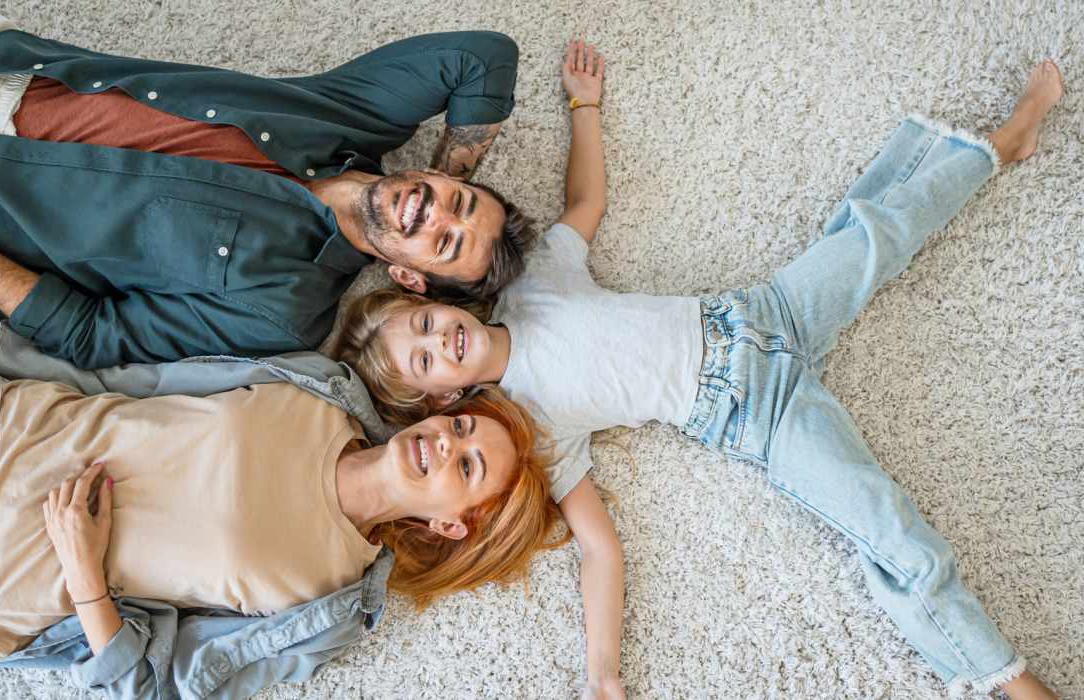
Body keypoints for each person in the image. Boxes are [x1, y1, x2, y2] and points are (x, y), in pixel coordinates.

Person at [333, 37, 1065, 699]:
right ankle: (1011, 681)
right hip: (756, 411)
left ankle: (1005, 140)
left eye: (424, 326)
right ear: (444, 395)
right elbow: (598, 546)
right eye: (425, 363)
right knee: (887, 526)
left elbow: (587, 202)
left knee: (878, 234)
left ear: (435, 301)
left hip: (762, 313)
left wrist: (584, 107)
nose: (440, 342)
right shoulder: (527, 425)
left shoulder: (532, 280)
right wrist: (604, 676)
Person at [0, 332, 565, 699]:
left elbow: (155, 688)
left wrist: (85, 576)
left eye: (467, 466)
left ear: (453, 525)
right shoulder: (319, 389)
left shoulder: (327, 607)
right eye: (464, 425)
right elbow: (134, 377)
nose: (447, 441)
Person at [0, 0, 534, 369]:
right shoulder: (351, 120)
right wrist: (440, 184)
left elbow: (92, 339)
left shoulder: (283, 311)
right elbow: (482, 56)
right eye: (460, 203)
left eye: (445, 243)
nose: (435, 212)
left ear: (410, 280)